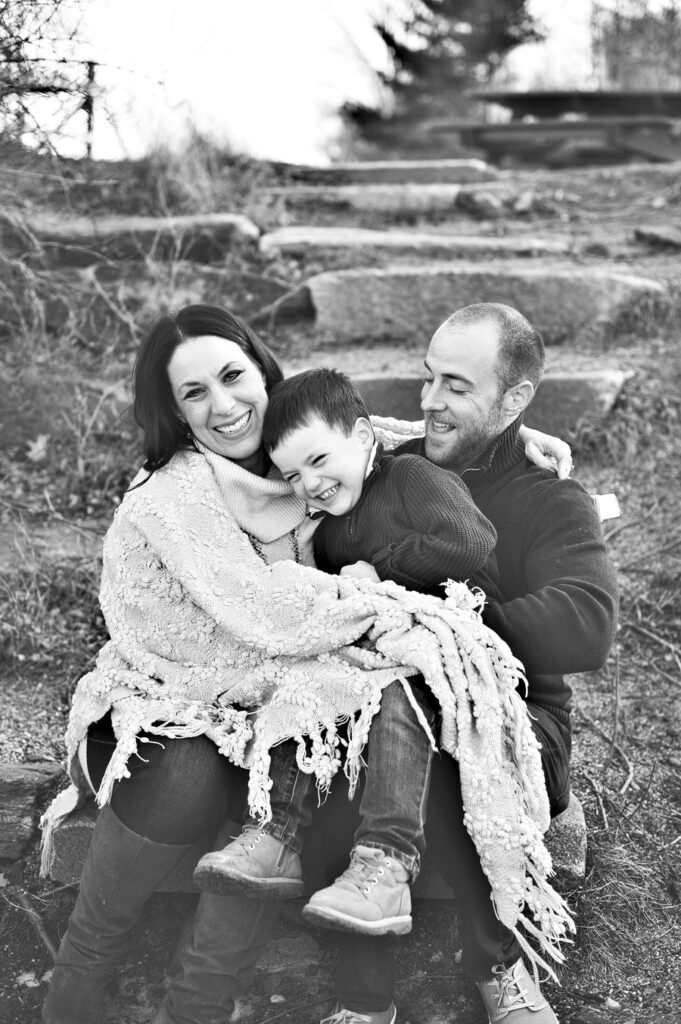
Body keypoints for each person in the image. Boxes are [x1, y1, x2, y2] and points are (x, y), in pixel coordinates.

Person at [40, 302, 572, 1024]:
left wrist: (509, 440)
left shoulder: (285, 451)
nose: (224, 405)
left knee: (324, 742)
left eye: (233, 376)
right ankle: (81, 973)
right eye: (194, 393)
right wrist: (387, 603)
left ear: (262, 371)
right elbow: (265, 610)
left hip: (279, 688)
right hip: (176, 687)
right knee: (205, 768)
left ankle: (198, 1002)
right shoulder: (172, 497)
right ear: (173, 412)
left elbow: (368, 439)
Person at [316, 303, 619, 1024]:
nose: (428, 402)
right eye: (428, 379)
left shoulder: (551, 499)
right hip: (382, 707)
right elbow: (303, 438)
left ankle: (497, 966)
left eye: (456, 385)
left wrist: (442, 633)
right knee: (353, 751)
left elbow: (586, 625)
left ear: (514, 400)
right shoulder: (391, 472)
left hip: (518, 721)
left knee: (445, 756)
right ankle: (364, 1003)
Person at [193, 367, 503, 939]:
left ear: (363, 437)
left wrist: (379, 574)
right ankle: (276, 834)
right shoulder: (329, 526)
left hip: (442, 645)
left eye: (317, 461)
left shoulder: (411, 476)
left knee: (395, 689)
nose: (307, 483)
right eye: (291, 474)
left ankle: (386, 864)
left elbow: (470, 542)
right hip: (376, 646)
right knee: (309, 679)